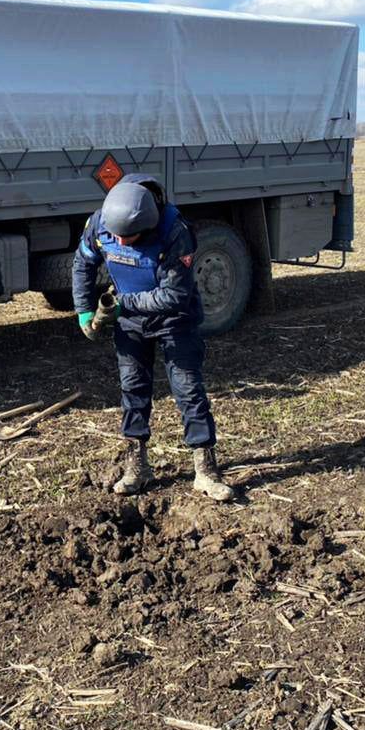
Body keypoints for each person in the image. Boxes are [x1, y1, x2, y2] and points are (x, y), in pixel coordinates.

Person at [72, 174, 234, 501]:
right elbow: (82, 263)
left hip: (175, 319)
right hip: (130, 321)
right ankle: (138, 466)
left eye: (127, 237)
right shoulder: (100, 223)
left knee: (188, 388)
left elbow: (174, 295)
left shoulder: (176, 233)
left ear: (146, 227)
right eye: (113, 236)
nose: (118, 242)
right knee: (133, 388)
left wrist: (122, 304)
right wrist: (83, 310)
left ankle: (205, 469)